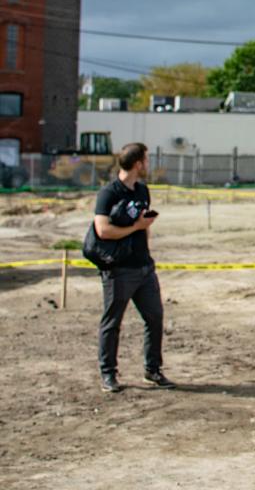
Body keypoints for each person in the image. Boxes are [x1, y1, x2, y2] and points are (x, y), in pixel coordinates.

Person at [95, 142, 175, 393]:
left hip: (143, 268)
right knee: (112, 322)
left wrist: (147, 250)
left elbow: (145, 225)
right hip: (118, 270)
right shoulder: (109, 193)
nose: (148, 165)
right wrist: (135, 228)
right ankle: (108, 374)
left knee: (154, 317)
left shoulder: (142, 191)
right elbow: (103, 230)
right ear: (138, 163)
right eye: (146, 160)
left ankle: (153, 370)